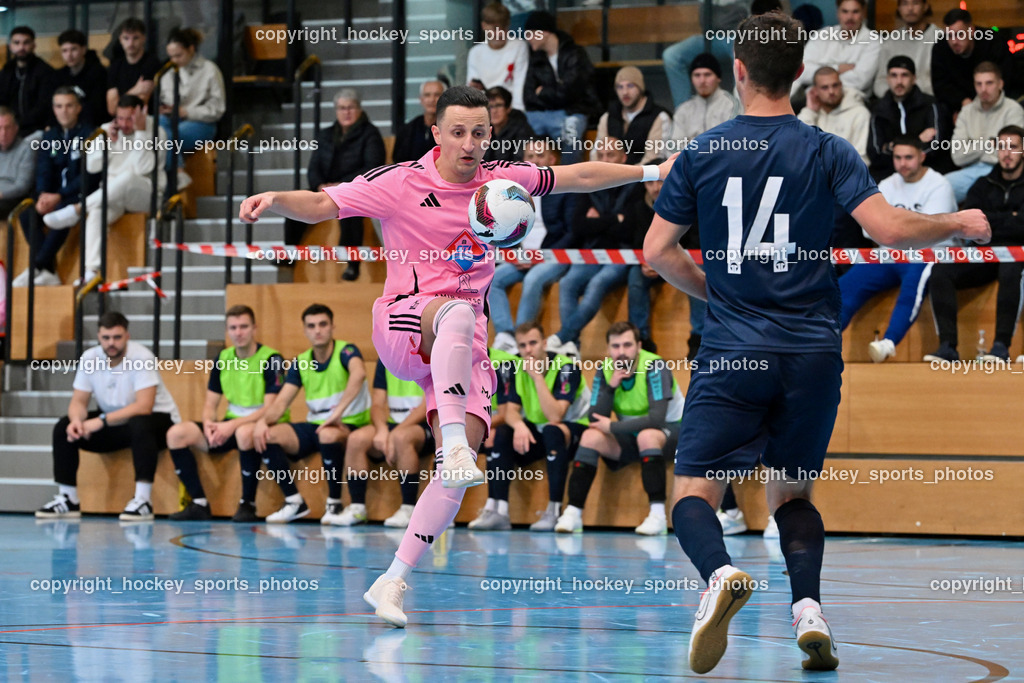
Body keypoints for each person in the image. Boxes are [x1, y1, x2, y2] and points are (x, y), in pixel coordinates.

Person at [239, 84, 676, 628]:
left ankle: (393, 579)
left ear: (490, 134)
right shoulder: (399, 182)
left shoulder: (501, 183)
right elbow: (325, 202)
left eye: (480, 132)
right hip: (407, 322)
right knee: (460, 315)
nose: (469, 143)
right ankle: (449, 442)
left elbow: (578, 177)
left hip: (464, 350)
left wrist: (651, 173)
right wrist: (275, 199)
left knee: (457, 462)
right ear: (436, 133)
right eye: (458, 132)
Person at [643, 10, 989, 674]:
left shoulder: (703, 150)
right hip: (810, 352)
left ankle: (718, 574)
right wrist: (957, 220)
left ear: (737, 71)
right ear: (799, 74)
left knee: (694, 488)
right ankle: (809, 611)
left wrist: (718, 291)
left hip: (734, 349)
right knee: (793, 495)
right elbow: (888, 231)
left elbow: (658, 251)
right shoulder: (828, 148)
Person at [35, 312, 181, 521]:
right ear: (99, 337)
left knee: (140, 423)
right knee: (63, 426)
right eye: (106, 338)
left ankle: (143, 500)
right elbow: (78, 401)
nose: (111, 343)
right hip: (116, 421)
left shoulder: (141, 357)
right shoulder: (90, 358)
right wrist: (77, 420)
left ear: (127, 336)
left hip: (158, 423)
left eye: (117, 337)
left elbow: (144, 406)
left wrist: (101, 421)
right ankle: (68, 498)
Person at [242, 303, 370, 523]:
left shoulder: (347, 351)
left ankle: (334, 503)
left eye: (322, 324)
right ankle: (294, 501)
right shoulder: (301, 361)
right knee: (267, 435)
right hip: (316, 424)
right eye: (311, 326)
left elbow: (358, 374)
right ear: (305, 330)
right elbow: (282, 401)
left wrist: (338, 413)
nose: (317, 330)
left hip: (348, 422)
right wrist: (262, 422)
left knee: (328, 434)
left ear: (332, 327)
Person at [554, 321, 683, 536]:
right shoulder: (605, 369)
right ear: (608, 349)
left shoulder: (655, 366)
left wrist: (612, 426)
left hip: (674, 433)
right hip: (633, 435)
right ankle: (573, 512)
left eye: (627, 345)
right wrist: (610, 387)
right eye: (615, 346)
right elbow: (595, 417)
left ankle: (658, 515)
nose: (621, 352)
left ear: (639, 346)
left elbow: (657, 419)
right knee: (590, 436)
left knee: (647, 436)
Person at [165, 305, 287, 521]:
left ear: (254, 328)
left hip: (264, 424)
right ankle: (199, 503)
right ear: (227, 330)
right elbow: (211, 404)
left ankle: (248, 504)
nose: (238, 332)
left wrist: (232, 425)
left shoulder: (272, 359)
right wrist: (209, 423)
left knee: (243, 433)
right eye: (233, 327)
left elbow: (270, 409)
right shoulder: (223, 358)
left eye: (243, 327)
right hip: (229, 424)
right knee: (176, 433)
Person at [840, 136, 957, 362]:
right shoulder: (885, 185)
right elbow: (870, 229)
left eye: (909, 157)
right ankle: (826, 339)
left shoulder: (939, 184)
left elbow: (930, 231)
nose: (903, 163)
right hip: (890, 254)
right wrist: (902, 229)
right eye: (897, 157)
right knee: (847, 284)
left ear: (922, 157)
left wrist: (894, 227)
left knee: (913, 285)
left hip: (927, 254)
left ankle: (889, 342)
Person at [470, 322, 588, 531]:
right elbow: (511, 411)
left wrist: (537, 377)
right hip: (539, 430)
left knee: (552, 431)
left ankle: (554, 511)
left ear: (544, 343)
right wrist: (519, 426)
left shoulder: (567, 367)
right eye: (522, 345)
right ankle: (499, 511)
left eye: (533, 343)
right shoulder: (516, 367)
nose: (528, 350)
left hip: (573, 430)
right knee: (502, 433)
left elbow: (555, 416)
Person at [42, 94, 165, 289]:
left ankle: (78, 208)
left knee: (127, 177)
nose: (124, 124)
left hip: (146, 193)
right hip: (112, 195)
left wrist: (141, 133)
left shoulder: (156, 131)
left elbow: (143, 169)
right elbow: (91, 166)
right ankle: (91, 272)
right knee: (98, 212)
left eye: (130, 118)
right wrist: (105, 143)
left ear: (142, 113)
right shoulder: (108, 130)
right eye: (120, 118)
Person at [924, 126, 1024, 363]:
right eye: (1002, 147)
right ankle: (947, 347)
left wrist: (995, 220)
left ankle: (1000, 346)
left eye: (1013, 147)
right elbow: (971, 223)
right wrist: (1011, 218)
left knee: (1012, 270)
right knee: (941, 269)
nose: (1007, 153)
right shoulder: (983, 183)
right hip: (983, 251)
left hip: (1017, 254)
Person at [546, 138, 637, 357]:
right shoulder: (589, 187)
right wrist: (615, 219)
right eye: (601, 155)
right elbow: (579, 226)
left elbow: (630, 230)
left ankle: (563, 336)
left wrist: (599, 221)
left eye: (611, 155)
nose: (605, 160)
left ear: (623, 159)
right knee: (568, 282)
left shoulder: (634, 186)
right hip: (590, 253)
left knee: (597, 283)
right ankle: (572, 348)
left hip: (621, 254)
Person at [489, 138, 574, 354]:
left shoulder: (564, 189)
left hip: (553, 256)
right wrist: (515, 254)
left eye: (540, 156)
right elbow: (504, 230)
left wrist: (538, 257)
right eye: (529, 157)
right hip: (521, 257)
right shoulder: (513, 193)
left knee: (533, 279)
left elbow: (571, 232)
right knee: (493, 278)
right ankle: (506, 335)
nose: (534, 161)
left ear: (552, 160)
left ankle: (522, 340)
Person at [300, 88, 385, 281]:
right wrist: (319, 184)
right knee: (295, 203)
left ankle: (351, 264)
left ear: (359, 109)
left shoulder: (370, 134)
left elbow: (372, 168)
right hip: (325, 189)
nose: (346, 112)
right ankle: (288, 256)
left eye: (350, 107)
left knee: (350, 210)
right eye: (341, 108)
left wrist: (342, 186)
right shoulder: (325, 134)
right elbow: (313, 167)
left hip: (355, 189)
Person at [13, 88, 94, 288]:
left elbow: (89, 175)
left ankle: (38, 265)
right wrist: (43, 196)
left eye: (69, 106)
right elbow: (43, 170)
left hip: (78, 194)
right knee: (26, 214)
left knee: (63, 210)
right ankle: (48, 271)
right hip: (53, 195)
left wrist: (59, 195)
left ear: (78, 108)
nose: (63, 111)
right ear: (54, 109)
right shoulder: (50, 136)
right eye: (59, 106)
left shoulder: (90, 134)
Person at [339, 359, 433, 528]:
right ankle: (357, 508)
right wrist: (382, 430)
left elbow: (427, 405)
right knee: (356, 439)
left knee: (401, 438)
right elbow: (377, 404)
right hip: (393, 424)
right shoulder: (386, 359)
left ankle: (408, 508)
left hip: (425, 425)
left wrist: (395, 433)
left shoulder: (429, 356)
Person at [522, 11, 599, 165]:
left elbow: (572, 92)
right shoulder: (537, 58)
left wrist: (543, 92)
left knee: (571, 136)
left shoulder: (575, 53)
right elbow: (528, 96)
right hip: (545, 115)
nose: (528, 39)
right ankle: (528, 183)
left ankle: (569, 186)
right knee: (522, 133)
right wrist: (556, 91)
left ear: (544, 32)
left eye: (530, 33)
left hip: (573, 112)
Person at [946, 62, 1024, 203]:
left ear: (1000, 84)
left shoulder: (1013, 109)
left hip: (1001, 170)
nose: (983, 89)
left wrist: (972, 147)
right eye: (979, 84)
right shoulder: (967, 111)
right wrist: (988, 144)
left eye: (989, 83)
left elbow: (1013, 151)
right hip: (969, 172)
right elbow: (957, 156)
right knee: (941, 187)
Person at [157, 27, 226, 184]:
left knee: (165, 137)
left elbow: (217, 108)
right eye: (171, 56)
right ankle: (177, 172)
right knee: (159, 127)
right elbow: (164, 99)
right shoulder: (167, 73)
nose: (174, 61)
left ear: (191, 49)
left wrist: (186, 112)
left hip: (201, 123)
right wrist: (167, 109)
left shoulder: (210, 70)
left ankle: (173, 176)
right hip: (173, 120)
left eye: (178, 55)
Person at [868, 55, 948, 179]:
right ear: (887, 79)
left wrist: (889, 147)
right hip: (888, 173)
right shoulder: (879, 109)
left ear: (914, 78)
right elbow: (875, 153)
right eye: (894, 75)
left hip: (927, 170)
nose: (899, 81)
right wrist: (918, 140)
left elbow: (936, 147)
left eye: (904, 75)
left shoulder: (930, 104)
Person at [930, 9, 1014, 118]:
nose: (954, 41)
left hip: (995, 99)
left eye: (959, 34)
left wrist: (981, 104)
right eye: (949, 36)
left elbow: (1006, 78)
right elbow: (940, 85)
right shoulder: (941, 48)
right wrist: (962, 101)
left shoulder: (993, 42)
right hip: (960, 105)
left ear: (971, 31)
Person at [790, 0, 879, 101]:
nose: (849, 17)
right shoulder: (822, 34)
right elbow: (801, 71)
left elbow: (860, 81)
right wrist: (837, 68)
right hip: (812, 97)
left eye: (855, 12)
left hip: (851, 99)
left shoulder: (873, 41)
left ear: (863, 13)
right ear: (838, 13)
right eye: (845, 11)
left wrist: (820, 74)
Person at [595, 67, 672, 166]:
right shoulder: (608, 117)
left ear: (640, 88)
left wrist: (629, 177)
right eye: (620, 87)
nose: (625, 92)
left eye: (630, 86)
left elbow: (653, 157)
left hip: (644, 177)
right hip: (610, 177)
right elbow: (596, 154)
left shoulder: (659, 117)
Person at [797, 67, 870, 166]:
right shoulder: (811, 113)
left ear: (841, 85)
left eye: (835, 85)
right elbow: (798, 145)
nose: (831, 91)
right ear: (815, 90)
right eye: (825, 87)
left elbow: (862, 159)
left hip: (845, 177)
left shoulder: (859, 113)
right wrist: (810, 110)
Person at [871, 0, 942, 99]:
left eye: (915, 3)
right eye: (905, 4)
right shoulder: (891, 41)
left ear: (925, 6)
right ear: (899, 9)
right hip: (895, 103)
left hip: (929, 103)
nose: (910, 8)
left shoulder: (940, 39)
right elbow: (880, 82)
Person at [467, 1, 529, 111]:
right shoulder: (475, 53)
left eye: (503, 29)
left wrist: (517, 113)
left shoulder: (519, 46)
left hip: (510, 109)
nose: (499, 34)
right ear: (484, 26)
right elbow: (473, 92)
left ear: (508, 26)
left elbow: (519, 85)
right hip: (485, 109)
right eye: (494, 29)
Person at [672, 53, 739, 147]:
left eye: (707, 75)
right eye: (697, 75)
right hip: (690, 161)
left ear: (718, 78)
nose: (702, 80)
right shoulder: (683, 110)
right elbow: (674, 147)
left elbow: (735, 143)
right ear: (691, 79)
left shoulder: (732, 105)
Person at [0, 26, 56, 135]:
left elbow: (44, 106)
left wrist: (20, 123)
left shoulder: (45, 71)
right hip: (9, 129)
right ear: (10, 46)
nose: (21, 47)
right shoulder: (7, 71)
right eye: (17, 43)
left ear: (33, 45)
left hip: (36, 129)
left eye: (26, 43)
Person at [105, 18, 161, 116]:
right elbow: (112, 109)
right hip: (120, 121)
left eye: (135, 38)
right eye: (126, 38)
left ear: (144, 38)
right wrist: (134, 90)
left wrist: (121, 98)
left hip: (146, 119)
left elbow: (141, 103)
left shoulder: (152, 64)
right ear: (120, 40)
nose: (130, 43)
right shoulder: (115, 67)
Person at [54, 29, 109, 127]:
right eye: (64, 51)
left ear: (83, 50)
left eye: (73, 49)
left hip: (92, 127)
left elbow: (98, 109)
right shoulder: (59, 75)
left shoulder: (98, 73)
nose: (69, 55)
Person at [392, 80, 445, 163]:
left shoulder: (451, 129)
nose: (432, 99)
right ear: (421, 99)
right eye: (427, 95)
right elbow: (399, 161)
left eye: (437, 95)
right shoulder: (407, 130)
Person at [0, 107, 38, 218]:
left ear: (16, 129)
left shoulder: (26, 148)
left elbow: (23, 186)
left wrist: (1, 194)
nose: (3, 133)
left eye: (7, 128)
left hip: (13, 198)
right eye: (0, 128)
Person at [482, 86, 534, 163]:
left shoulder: (521, 129)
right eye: (490, 107)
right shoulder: (484, 128)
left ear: (508, 108)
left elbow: (519, 163)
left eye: (499, 105)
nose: (494, 111)